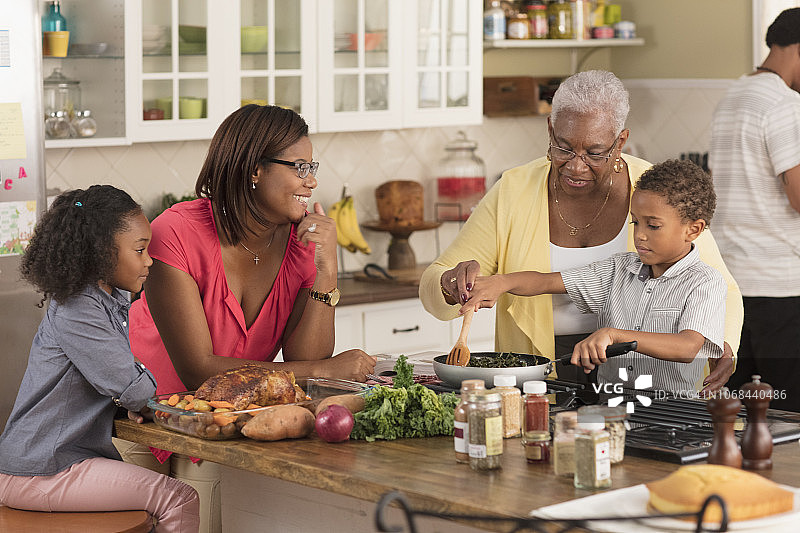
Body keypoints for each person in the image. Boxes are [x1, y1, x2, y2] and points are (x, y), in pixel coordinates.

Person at [123, 104, 375, 533]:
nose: (311, 180)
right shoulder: (177, 233)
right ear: (254, 170)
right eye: (299, 166)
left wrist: (327, 271)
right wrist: (323, 371)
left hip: (229, 425)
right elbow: (198, 369)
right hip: (146, 423)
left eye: (312, 166)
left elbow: (303, 351)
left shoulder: (300, 248)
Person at [420, 70, 742, 395]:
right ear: (550, 129)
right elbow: (440, 282)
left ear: (620, 142)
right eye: (563, 148)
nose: (576, 165)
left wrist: (723, 344)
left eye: (595, 152)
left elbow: (719, 285)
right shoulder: (513, 191)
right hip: (538, 377)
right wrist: (454, 284)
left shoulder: (653, 192)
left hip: (657, 385)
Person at [0, 186, 199, 533]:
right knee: (178, 499)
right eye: (139, 250)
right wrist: (133, 396)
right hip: (40, 467)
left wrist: (128, 397)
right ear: (102, 255)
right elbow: (133, 386)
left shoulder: (106, 299)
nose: (149, 260)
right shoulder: (78, 308)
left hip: (59, 460)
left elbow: (120, 384)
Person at [460, 160, 725, 394]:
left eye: (653, 226)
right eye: (636, 222)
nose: (640, 235)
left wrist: (614, 335)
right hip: (612, 408)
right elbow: (545, 281)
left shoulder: (705, 282)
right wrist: (501, 282)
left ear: (693, 229)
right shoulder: (617, 270)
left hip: (672, 413)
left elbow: (687, 347)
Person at [708, 8, 800, 411]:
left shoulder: (733, 96)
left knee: (735, 412)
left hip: (733, 284)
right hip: (781, 285)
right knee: (787, 414)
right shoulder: (784, 104)